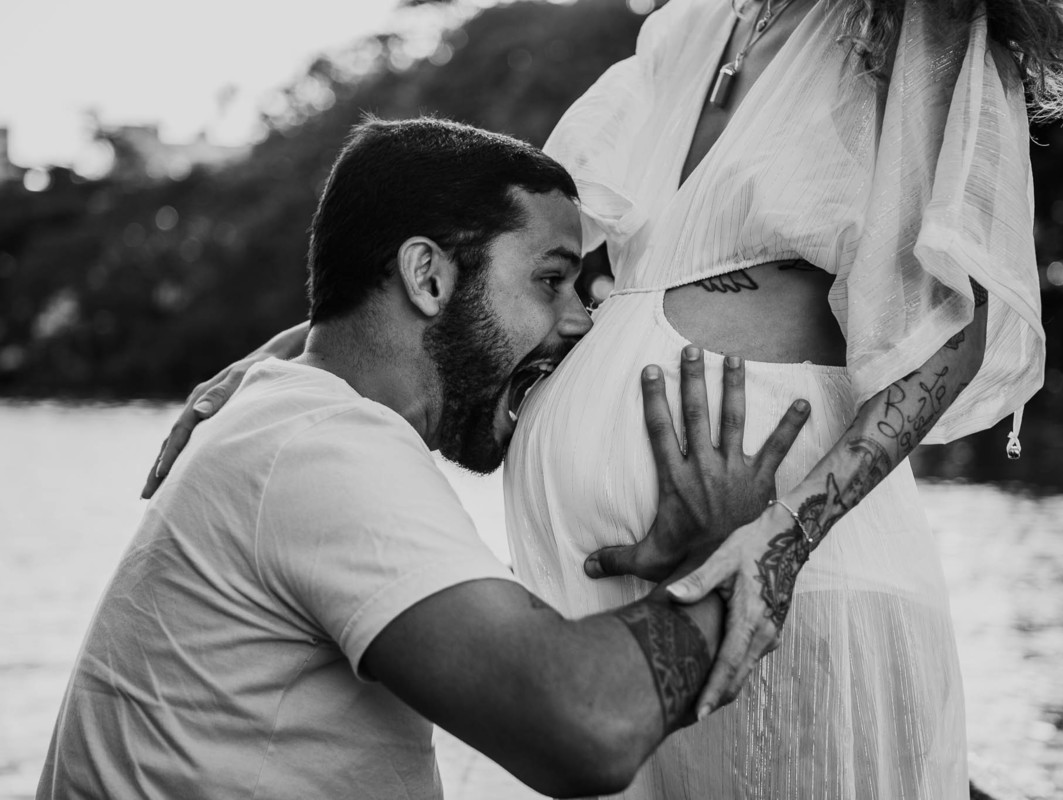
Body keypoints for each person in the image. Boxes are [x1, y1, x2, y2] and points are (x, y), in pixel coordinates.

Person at [145, 1, 1063, 797]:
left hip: (784, 578)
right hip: (621, 612)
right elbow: (488, 252)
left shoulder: (912, 23)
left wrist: (780, 541)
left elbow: (957, 320)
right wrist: (299, 353)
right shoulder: (690, 31)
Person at [40, 118, 813, 800]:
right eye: (551, 279)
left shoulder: (288, 417)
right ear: (428, 276)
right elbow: (588, 729)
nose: (580, 319)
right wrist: (728, 552)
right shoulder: (324, 447)